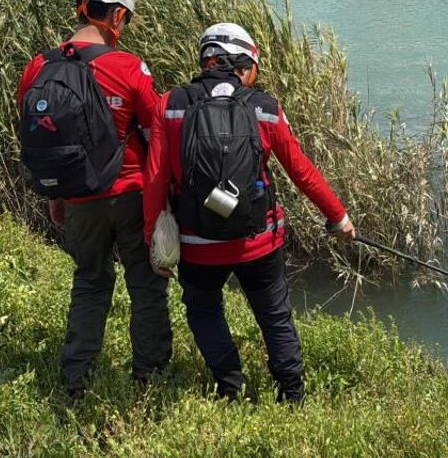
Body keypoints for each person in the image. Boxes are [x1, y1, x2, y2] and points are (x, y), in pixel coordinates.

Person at [143, 23, 355, 403]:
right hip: (258, 240)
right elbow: (302, 171)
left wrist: (153, 242)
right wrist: (338, 217)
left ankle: (230, 385)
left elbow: (155, 179)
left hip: (197, 242)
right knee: (274, 313)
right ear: (245, 65)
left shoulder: (170, 105)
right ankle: (291, 393)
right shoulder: (266, 109)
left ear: (206, 60)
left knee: (204, 309)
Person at [17, 0, 172, 399]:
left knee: (90, 281)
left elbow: (34, 131)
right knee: (145, 285)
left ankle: (77, 379)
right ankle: (150, 377)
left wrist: (56, 194)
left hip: (78, 197)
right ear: (117, 16)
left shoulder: (39, 66)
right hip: (132, 195)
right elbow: (156, 131)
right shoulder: (128, 67)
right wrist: (165, 201)